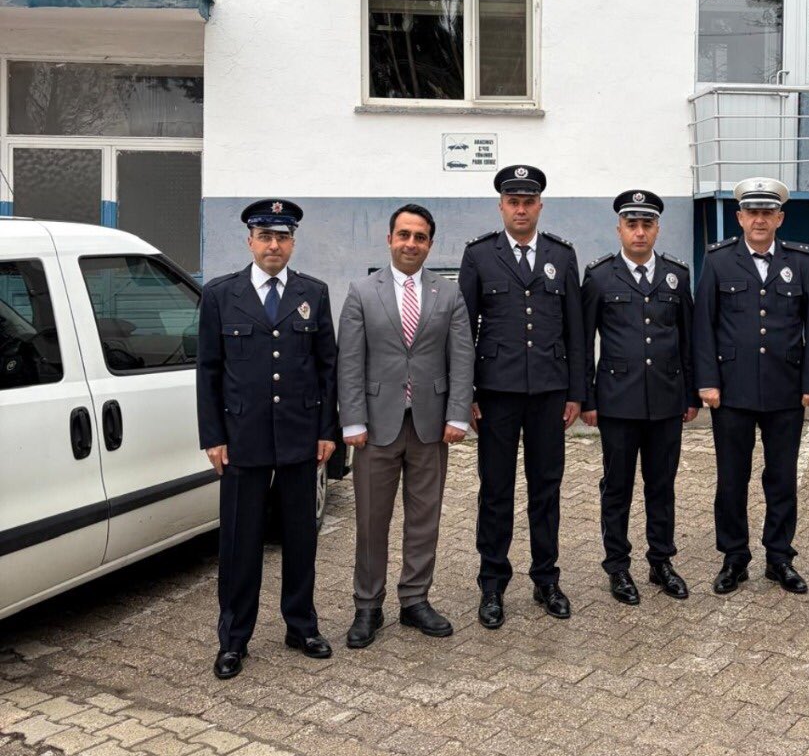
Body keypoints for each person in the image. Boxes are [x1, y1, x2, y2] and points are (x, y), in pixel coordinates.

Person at [196, 200, 337, 680]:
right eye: (265, 237)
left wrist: (327, 430)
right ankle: (234, 639)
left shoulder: (313, 293)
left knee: (300, 538)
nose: (273, 245)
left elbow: (326, 368)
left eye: (282, 237)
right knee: (240, 542)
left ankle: (301, 626)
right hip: (243, 438)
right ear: (250, 241)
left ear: (292, 242)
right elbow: (208, 371)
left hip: (300, 435)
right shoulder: (221, 295)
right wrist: (213, 437)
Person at [337, 204, 474, 649]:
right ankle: (367, 606)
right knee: (371, 521)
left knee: (424, 518)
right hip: (375, 428)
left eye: (420, 237)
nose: (411, 243)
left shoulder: (448, 294)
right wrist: (352, 420)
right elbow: (350, 361)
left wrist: (457, 413)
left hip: (431, 426)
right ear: (390, 239)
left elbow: (462, 357)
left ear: (430, 244)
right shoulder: (362, 292)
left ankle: (415, 600)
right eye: (404, 235)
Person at [458, 165, 584, 629]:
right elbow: (463, 331)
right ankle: (492, 583)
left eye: (528, 202)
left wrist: (576, 392)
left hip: (549, 392)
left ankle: (546, 578)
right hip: (496, 394)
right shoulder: (479, 255)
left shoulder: (561, 255)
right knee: (495, 490)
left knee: (546, 488)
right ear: (501, 207)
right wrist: (466, 393)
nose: (521, 209)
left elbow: (575, 328)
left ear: (539, 206)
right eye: (513, 202)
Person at [693, 177, 809, 596]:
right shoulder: (718, 260)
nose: (760, 220)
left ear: (780, 218)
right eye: (752, 212)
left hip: (785, 389)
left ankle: (779, 557)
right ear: (740, 217)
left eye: (768, 213)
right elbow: (703, 325)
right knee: (732, 479)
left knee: (782, 478)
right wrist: (707, 381)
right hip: (732, 391)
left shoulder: (800, 261)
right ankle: (734, 557)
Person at [581, 190, 699, 605]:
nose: (639, 232)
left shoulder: (676, 275)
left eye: (647, 224)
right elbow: (583, 342)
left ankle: (661, 561)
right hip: (617, 401)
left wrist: (691, 394)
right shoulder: (599, 276)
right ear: (619, 229)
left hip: (666, 400)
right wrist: (587, 399)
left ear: (657, 229)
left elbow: (688, 338)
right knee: (617, 487)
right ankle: (617, 566)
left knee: (661, 485)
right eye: (631, 224)